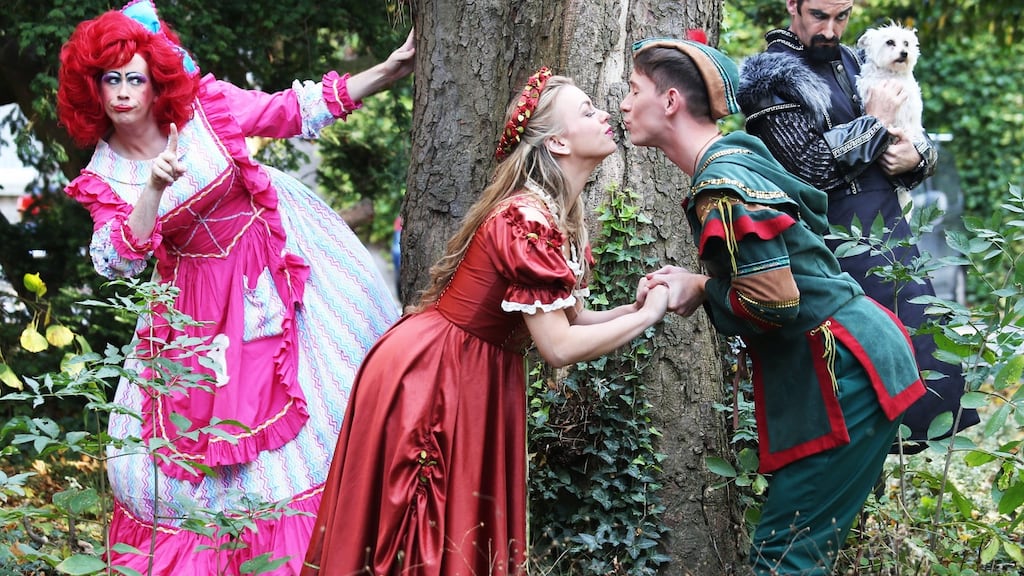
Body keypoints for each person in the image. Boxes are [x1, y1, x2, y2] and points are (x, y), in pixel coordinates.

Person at [56, 1, 414, 573]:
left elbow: (288, 110)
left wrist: (388, 71)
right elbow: (117, 261)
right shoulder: (105, 173)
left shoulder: (205, 111)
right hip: (194, 309)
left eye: (134, 79)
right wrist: (151, 188)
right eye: (109, 80)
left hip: (274, 273)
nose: (122, 92)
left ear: (155, 83)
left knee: (313, 413)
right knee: (198, 439)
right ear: (92, 89)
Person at [303, 68, 669, 575]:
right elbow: (558, 346)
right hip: (434, 375)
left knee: (452, 535)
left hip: (477, 368)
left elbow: (572, 314)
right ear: (558, 142)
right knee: (417, 534)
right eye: (587, 111)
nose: (605, 113)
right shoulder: (525, 220)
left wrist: (631, 309)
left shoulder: (557, 215)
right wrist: (648, 317)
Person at [620, 36, 926, 574]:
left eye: (633, 89)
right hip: (864, 356)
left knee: (785, 561)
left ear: (670, 101)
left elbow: (776, 302)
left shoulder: (722, 184)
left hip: (844, 373)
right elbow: (806, 217)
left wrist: (704, 290)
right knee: (798, 553)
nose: (622, 103)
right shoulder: (741, 152)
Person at [735, 0, 979, 452]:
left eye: (842, 17)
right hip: (830, 245)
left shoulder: (857, 59)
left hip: (888, 230)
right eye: (818, 15)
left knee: (923, 371)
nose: (831, 29)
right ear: (792, 5)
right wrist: (876, 122)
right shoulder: (768, 76)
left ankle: (890, 492)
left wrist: (919, 157)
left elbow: (910, 134)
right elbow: (808, 169)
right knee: (855, 385)